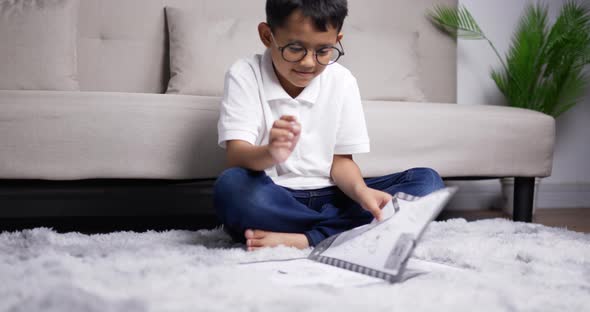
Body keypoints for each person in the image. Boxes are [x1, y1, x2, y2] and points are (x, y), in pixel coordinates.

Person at [214, 0, 445, 251]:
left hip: (333, 195)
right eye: (295, 48)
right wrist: (270, 153)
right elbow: (237, 156)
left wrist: (361, 192)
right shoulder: (244, 74)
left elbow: (341, 161)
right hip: (277, 195)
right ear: (267, 35)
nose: (309, 63)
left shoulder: (342, 81)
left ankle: (306, 238)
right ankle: (347, 231)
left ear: (337, 39)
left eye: (323, 51)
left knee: (428, 182)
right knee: (231, 187)